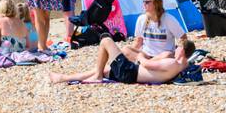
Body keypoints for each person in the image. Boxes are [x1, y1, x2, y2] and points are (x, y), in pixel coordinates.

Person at [48, 35, 194, 85]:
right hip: (131, 74)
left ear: (182, 51)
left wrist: (139, 56)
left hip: (130, 72)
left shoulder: (172, 62)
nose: (176, 48)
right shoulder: (180, 64)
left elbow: (146, 63)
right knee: (104, 69)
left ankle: (98, 77)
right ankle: (62, 78)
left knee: (105, 41)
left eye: (178, 47)